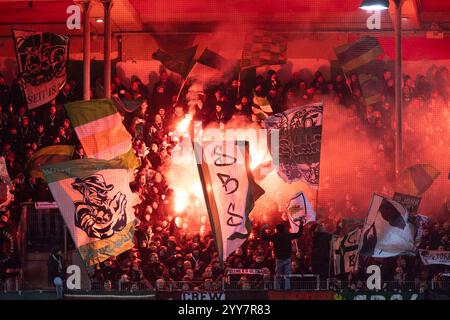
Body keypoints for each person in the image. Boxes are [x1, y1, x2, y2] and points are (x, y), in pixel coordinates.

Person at [260, 220, 304, 290]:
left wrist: (262, 229)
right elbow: (299, 234)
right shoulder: (288, 235)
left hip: (279, 259)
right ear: (284, 229)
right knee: (287, 276)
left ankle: (277, 289)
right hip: (287, 258)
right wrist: (301, 224)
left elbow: (263, 237)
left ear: (277, 229)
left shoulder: (275, 236)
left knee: (277, 276)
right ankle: (287, 289)